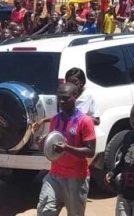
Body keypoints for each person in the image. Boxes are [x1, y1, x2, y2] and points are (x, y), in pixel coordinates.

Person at [36, 83, 96, 216]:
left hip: (76, 178)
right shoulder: (55, 120)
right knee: (45, 212)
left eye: (66, 98)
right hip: (54, 176)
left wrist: (67, 148)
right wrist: (43, 143)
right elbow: (51, 145)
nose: (61, 101)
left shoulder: (85, 121)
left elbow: (90, 151)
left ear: (76, 97)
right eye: (59, 98)